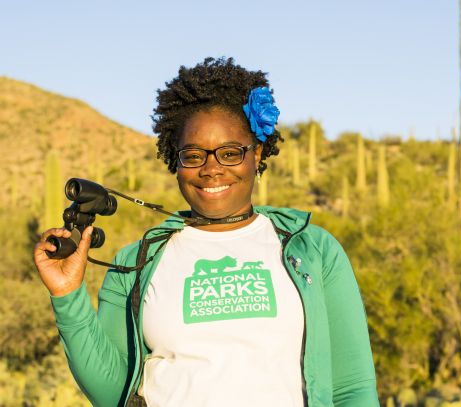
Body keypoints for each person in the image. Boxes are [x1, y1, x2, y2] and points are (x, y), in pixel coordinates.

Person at [34, 57, 379, 407]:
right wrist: (67, 295)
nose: (211, 169)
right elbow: (113, 395)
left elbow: (352, 389)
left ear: (257, 154)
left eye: (229, 153)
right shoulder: (136, 262)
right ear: (176, 161)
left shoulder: (313, 249)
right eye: (194, 155)